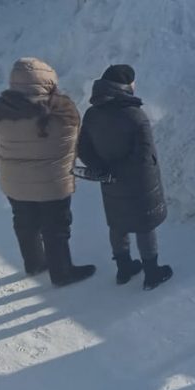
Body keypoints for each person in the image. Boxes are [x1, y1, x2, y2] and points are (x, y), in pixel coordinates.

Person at [0, 58, 96, 287]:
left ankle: (34, 263)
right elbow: (73, 143)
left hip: (14, 181)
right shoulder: (64, 110)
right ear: (48, 80)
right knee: (56, 227)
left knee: (24, 222)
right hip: (54, 182)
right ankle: (62, 273)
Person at [76, 64, 173, 290]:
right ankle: (152, 273)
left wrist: (102, 168)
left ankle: (124, 268)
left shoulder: (92, 114)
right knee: (144, 225)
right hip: (139, 182)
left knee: (117, 223)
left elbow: (83, 148)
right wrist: (119, 169)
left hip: (110, 181)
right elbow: (144, 154)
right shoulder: (135, 116)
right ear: (125, 85)